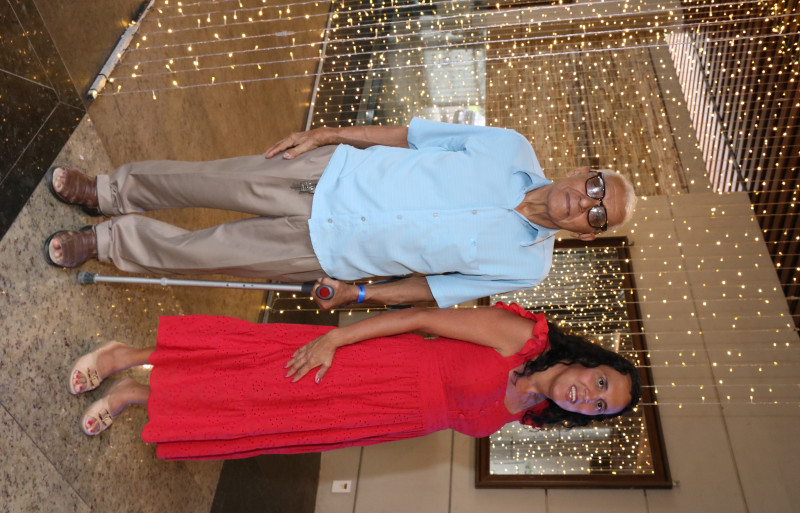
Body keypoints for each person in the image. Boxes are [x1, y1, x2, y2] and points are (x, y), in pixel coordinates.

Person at [44, 119, 637, 310]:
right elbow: (411, 135)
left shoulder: (528, 267)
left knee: (202, 253)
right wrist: (328, 133)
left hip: (329, 253)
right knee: (202, 179)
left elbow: (432, 290)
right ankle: (106, 191)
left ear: (590, 235)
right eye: (595, 187)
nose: (585, 203)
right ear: (582, 170)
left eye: (598, 215)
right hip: (328, 176)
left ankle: (107, 243)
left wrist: (358, 295)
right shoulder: (509, 146)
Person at [70, 302, 641, 460]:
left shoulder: (525, 413)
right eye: (601, 385)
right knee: (252, 368)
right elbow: (419, 318)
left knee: (252, 410)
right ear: (590, 361)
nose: (587, 398)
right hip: (373, 367)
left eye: (598, 408)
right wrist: (337, 339)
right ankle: (127, 356)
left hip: (369, 417)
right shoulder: (520, 338)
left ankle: (134, 395)